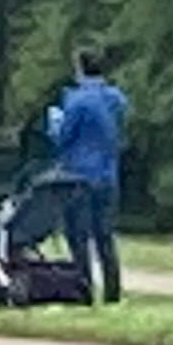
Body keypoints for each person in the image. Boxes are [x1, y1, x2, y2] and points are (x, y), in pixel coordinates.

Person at [46, 47, 129, 304]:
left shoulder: (77, 101)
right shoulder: (116, 99)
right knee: (104, 234)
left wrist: (54, 123)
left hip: (78, 175)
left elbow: (64, 138)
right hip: (107, 173)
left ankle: (83, 289)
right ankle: (112, 291)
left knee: (78, 234)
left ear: (79, 69)